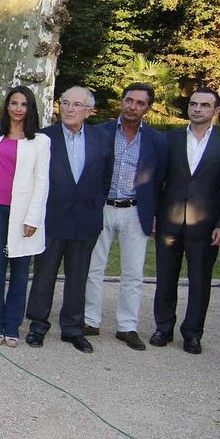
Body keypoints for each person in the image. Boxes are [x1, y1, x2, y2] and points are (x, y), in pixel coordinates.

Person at [150, 88, 220, 355]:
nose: (197, 109)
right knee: (165, 276)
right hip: (169, 220)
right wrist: (154, 215)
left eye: (204, 105)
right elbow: (157, 180)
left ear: (216, 111)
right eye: (193, 104)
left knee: (200, 280)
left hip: (206, 223)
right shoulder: (169, 139)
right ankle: (163, 328)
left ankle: (193, 333)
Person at [26, 86, 113, 353]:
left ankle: (73, 328)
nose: (69, 109)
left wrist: (93, 205)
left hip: (85, 219)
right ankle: (38, 326)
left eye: (76, 105)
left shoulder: (102, 138)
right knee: (44, 274)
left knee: (79, 276)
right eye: (65, 103)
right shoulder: (44, 137)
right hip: (52, 217)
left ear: (88, 111)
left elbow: (105, 179)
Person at [83, 82, 167, 350]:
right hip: (102, 207)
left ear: (148, 108)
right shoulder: (99, 132)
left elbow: (160, 181)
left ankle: (127, 326)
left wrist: (154, 214)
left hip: (135, 210)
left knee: (133, 272)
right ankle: (89, 320)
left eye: (140, 103)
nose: (133, 107)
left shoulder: (157, 140)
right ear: (122, 101)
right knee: (93, 267)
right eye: (129, 100)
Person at [0, 86, 51, 346]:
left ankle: (12, 326)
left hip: (22, 214)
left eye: (23, 104)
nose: (18, 109)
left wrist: (33, 218)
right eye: (13, 103)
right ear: (7, 106)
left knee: (20, 271)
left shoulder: (41, 141)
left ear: (30, 108)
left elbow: (42, 182)